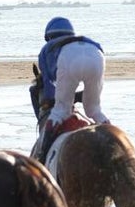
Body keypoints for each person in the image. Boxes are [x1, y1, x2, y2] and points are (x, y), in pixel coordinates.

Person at [34, 16, 109, 162]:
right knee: (94, 110)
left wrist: (52, 104)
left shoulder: (47, 49)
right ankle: (112, 138)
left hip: (69, 59)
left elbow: (49, 88)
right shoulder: (87, 41)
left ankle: (42, 155)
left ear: (49, 36)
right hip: (97, 56)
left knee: (60, 111)